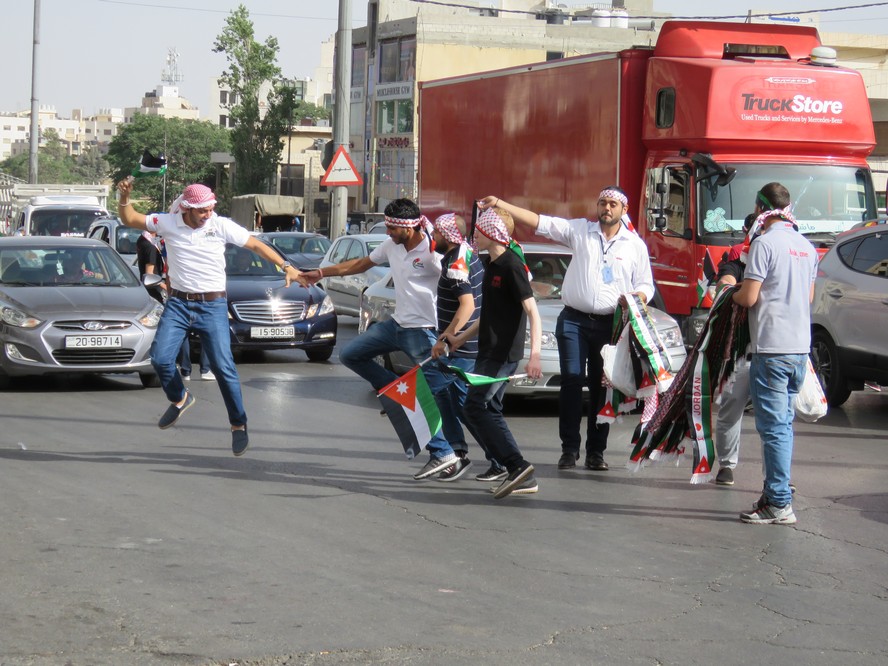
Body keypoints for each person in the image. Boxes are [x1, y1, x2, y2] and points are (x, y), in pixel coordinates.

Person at [116, 179, 306, 456]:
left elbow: (255, 245)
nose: (208, 214)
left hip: (213, 305)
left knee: (222, 367)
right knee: (160, 358)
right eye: (202, 210)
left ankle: (238, 425)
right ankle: (180, 397)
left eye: (210, 209)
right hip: (179, 304)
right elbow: (130, 218)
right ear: (187, 208)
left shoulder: (220, 225)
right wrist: (124, 197)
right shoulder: (167, 222)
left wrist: (285, 265)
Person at [477, 187, 654, 472]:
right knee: (572, 380)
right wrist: (500, 203)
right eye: (603, 203)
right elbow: (539, 222)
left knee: (601, 386)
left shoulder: (634, 245)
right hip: (574, 320)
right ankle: (569, 450)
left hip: (609, 325)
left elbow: (646, 283)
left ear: (624, 209)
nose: (607, 208)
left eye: (613, 204)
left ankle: (596, 452)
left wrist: (638, 296)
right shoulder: (581, 231)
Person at [302, 198, 461, 479]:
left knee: (433, 396)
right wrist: (320, 273)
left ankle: (446, 453)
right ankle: (397, 393)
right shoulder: (392, 245)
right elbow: (361, 264)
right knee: (351, 355)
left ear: (408, 228)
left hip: (424, 331)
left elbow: (461, 288)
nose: (387, 233)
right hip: (396, 325)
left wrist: (451, 332)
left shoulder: (433, 254)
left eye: (392, 228)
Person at [732, 182, 817, 525]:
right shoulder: (806, 246)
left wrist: (730, 294)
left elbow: (749, 297)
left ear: (760, 209)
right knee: (783, 427)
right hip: (799, 349)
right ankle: (774, 493)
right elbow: (808, 298)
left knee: (774, 430)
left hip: (771, 348)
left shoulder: (764, 243)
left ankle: (779, 503)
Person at [447, 206, 542, 499]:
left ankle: (517, 466)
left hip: (502, 355)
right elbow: (487, 314)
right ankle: (517, 472)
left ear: (492, 232)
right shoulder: (491, 265)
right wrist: (459, 339)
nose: (474, 235)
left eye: (479, 231)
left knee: (474, 406)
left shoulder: (512, 265)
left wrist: (535, 355)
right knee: (489, 409)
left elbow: (532, 311)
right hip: (488, 351)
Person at [429, 212, 505, 482]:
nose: (432, 237)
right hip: (461, 347)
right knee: (452, 401)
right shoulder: (462, 254)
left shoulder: (458, 264)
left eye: (436, 232)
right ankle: (460, 454)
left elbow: (468, 305)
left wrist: (446, 338)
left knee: (457, 403)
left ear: (446, 235)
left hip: (461, 348)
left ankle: (498, 459)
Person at [713, 208, 776, 486]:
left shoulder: (777, 262)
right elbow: (725, 282)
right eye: (759, 230)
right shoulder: (738, 261)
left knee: (773, 419)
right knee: (730, 410)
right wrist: (734, 287)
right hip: (741, 354)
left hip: (773, 350)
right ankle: (727, 465)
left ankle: (776, 475)